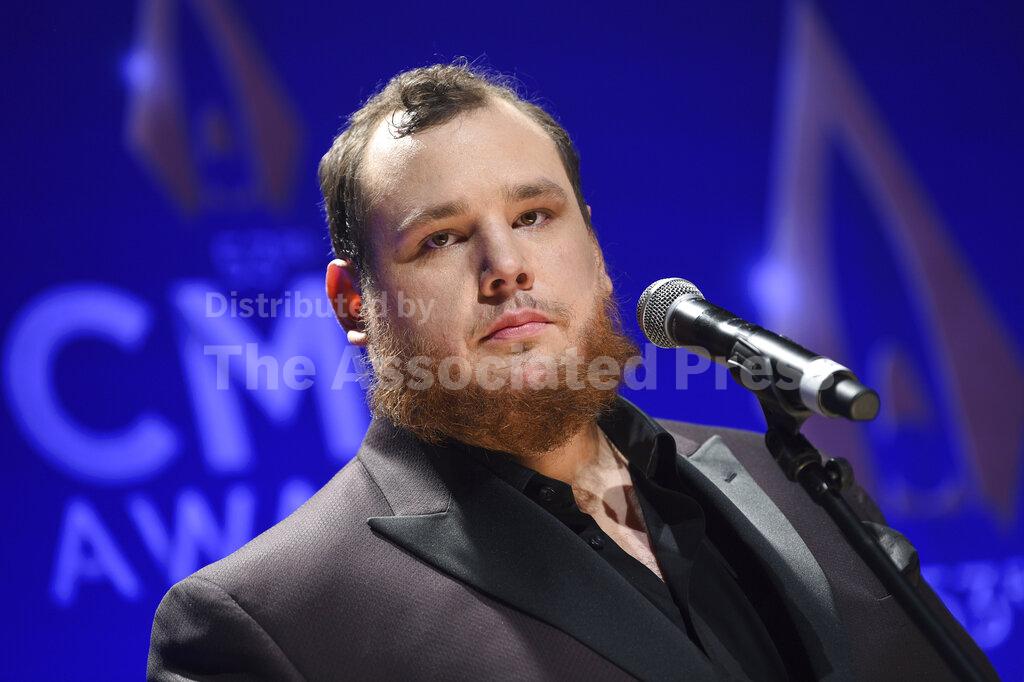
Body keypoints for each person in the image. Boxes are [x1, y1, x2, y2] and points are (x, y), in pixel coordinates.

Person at [147, 61, 996, 681]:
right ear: (352, 303)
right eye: (439, 238)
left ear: (591, 244)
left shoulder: (789, 477)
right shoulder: (269, 621)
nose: (506, 265)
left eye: (534, 215)